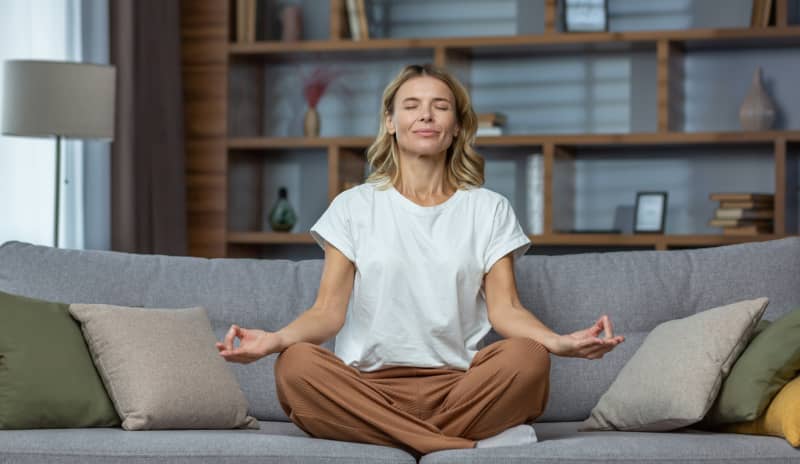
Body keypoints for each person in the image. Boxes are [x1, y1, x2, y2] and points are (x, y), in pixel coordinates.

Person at [216, 63, 625, 458]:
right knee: (296, 365)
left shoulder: (488, 209)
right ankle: (465, 446)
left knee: (529, 357)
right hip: (365, 387)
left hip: (462, 390)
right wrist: (276, 340)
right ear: (390, 122)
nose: (425, 115)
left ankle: (388, 436)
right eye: (411, 105)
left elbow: (507, 309)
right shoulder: (353, 206)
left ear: (458, 126)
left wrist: (557, 342)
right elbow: (327, 312)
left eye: (440, 106)